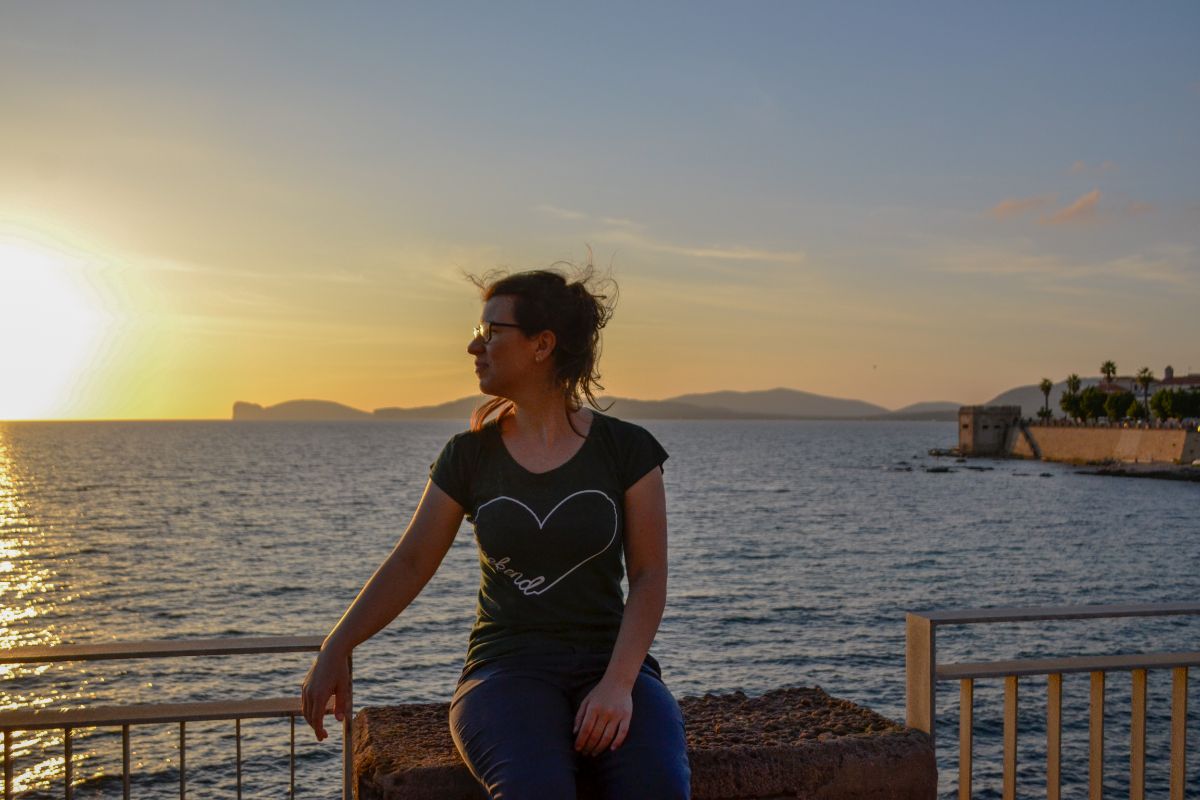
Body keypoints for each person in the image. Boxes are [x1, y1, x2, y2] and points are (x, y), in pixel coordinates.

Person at [301, 267, 691, 799]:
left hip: (613, 664)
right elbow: (410, 563)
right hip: (504, 671)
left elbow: (648, 575)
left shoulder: (628, 450)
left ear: (542, 345)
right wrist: (338, 644)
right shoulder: (469, 456)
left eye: (489, 332)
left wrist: (618, 685)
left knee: (658, 786)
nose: (473, 346)